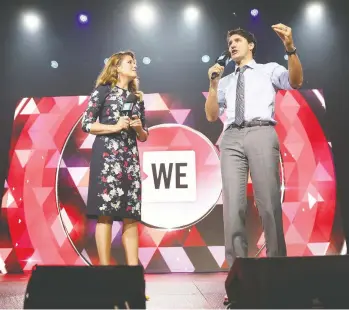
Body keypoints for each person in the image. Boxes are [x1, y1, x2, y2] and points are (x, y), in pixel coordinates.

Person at [205, 25, 303, 302]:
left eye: (237, 40)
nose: (232, 45)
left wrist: (290, 48)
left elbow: (295, 81)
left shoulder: (268, 69)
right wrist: (213, 84)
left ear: (251, 45)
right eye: (229, 41)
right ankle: (238, 281)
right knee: (233, 209)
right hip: (231, 136)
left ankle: (277, 275)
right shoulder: (224, 80)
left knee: (269, 204)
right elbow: (212, 116)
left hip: (261, 131)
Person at [81, 51, 148, 268]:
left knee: (130, 216)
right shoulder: (103, 92)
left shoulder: (137, 97)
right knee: (105, 214)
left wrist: (139, 129)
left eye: (135, 62)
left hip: (129, 160)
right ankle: (105, 274)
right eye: (130, 62)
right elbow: (87, 124)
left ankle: (133, 277)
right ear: (117, 67)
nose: (134, 65)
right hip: (107, 160)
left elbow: (144, 135)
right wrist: (115, 126)